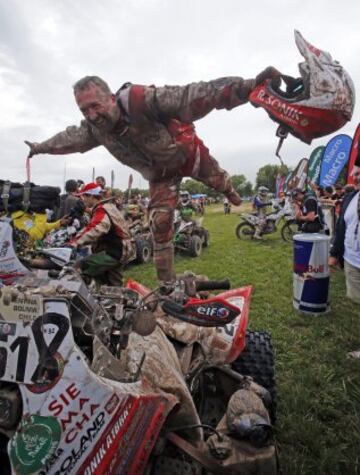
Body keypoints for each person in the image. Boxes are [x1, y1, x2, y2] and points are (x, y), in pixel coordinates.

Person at [24, 68, 281, 281]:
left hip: (187, 154)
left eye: (94, 106)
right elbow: (69, 138)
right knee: (159, 224)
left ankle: (230, 192)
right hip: (160, 177)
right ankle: (167, 283)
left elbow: (191, 96)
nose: (91, 115)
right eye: (84, 111)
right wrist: (40, 147)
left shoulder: (138, 100)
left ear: (111, 98)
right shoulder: (94, 130)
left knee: (217, 179)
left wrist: (247, 88)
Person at [69, 182, 135, 286]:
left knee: (80, 266)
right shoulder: (109, 206)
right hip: (123, 248)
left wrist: (74, 242)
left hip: (115, 251)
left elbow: (95, 228)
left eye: (84, 196)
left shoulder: (102, 209)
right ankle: (116, 299)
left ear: (91, 196)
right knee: (113, 283)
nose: (82, 199)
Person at [329, 150, 360, 304]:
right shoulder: (350, 198)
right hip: (351, 262)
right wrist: (334, 255)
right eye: (355, 172)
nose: (356, 175)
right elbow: (341, 228)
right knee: (356, 300)